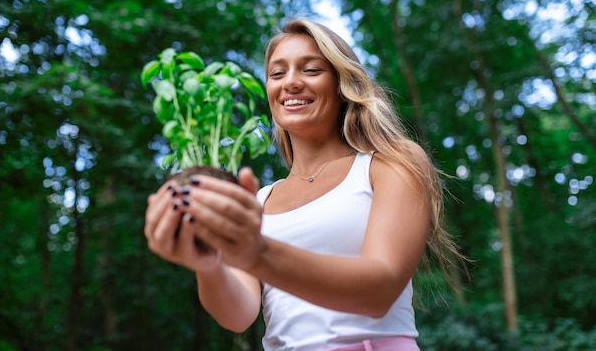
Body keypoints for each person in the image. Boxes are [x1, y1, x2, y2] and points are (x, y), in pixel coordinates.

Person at [144, 18, 463, 351]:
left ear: (342, 84)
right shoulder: (261, 199)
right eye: (277, 74)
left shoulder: (389, 163)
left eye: (311, 70)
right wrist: (207, 264)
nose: (291, 83)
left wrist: (257, 252)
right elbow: (238, 316)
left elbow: (379, 291)